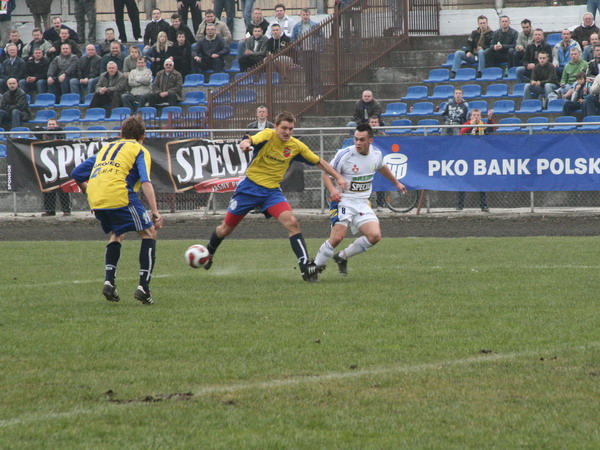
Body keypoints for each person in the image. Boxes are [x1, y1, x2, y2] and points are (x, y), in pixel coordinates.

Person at [202, 111, 347, 282]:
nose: (287, 132)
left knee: (292, 222)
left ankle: (305, 268)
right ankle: (209, 252)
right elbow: (250, 139)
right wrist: (245, 143)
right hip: (248, 189)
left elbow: (319, 162)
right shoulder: (267, 135)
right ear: (276, 126)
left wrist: (338, 177)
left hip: (271, 193)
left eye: (290, 129)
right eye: (284, 128)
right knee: (225, 229)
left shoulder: (296, 146)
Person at [71, 115, 163, 305]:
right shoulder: (139, 149)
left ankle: (109, 282)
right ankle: (143, 288)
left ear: (121, 134)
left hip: (96, 198)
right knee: (149, 233)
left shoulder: (108, 147)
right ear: (142, 136)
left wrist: (89, 191)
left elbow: (77, 174)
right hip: (120, 195)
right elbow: (145, 181)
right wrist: (155, 211)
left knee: (117, 233)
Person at [313, 123, 407, 276]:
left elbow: (382, 167)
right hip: (343, 200)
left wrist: (396, 182)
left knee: (375, 236)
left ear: (370, 140)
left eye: (362, 140)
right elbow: (325, 174)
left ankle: (342, 256)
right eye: (356, 139)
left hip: (362, 202)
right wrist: (332, 191)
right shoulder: (345, 155)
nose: (357, 143)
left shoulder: (376, 154)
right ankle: (314, 268)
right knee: (337, 237)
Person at [457, 108, 495, 212]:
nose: (476, 117)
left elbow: (492, 130)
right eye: (474, 115)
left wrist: (490, 119)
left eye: (478, 115)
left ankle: (484, 205)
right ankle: (459, 205)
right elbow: (462, 132)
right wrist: (471, 126)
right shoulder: (467, 124)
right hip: (468, 157)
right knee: (463, 181)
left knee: (481, 182)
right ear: (470, 117)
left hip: (480, 158)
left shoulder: (483, 125)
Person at [41, 118, 71, 217]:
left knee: (63, 188)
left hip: (61, 164)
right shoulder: (44, 135)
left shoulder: (60, 133)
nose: (51, 126)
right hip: (47, 166)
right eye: (49, 124)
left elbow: (61, 136)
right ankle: (49, 210)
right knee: (48, 188)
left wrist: (53, 131)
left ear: (57, 125)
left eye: (53, 124)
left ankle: (66, 209)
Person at [291, 9, 322, 100]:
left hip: (314, 51)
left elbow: (320, 36)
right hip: (304, 51)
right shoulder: (297, 26)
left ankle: (319, 93)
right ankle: (309, 94)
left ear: (309, 15)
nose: (305, 16)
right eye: (303, 14)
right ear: (300, 15)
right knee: (307, 74)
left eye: (307, 14)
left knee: (316, 73)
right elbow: (293, 39)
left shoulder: (315, 25)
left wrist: (319, 48)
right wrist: (298, 48)